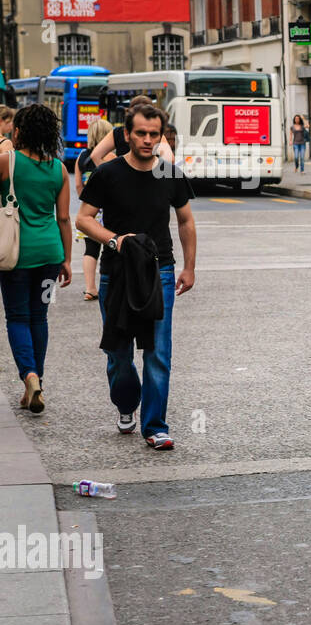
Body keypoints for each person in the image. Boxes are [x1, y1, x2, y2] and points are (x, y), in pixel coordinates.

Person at [76, 103, 197, 450]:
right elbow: (84, 218)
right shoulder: (108, 173)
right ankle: (127, 404)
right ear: (126, 134)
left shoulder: (170, 174)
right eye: (140, 133)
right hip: (116, 273)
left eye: (154, 134)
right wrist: (114, 240)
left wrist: (188, 267)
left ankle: (156, 425)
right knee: (119, 352)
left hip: (159, 271)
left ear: (162, 137)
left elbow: (186, 221)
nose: (147, 140)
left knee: (158, 351)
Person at [0, 105, 73, 413]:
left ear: (18, 131)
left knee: (17, 317)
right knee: (39, 317)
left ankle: (29, 376)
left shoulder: (7, 162)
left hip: (15, 256)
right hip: (50, 255)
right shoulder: (59, 168)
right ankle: (37, 380)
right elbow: (65, 219)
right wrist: (67, 260)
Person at [74, 118, 115, 301]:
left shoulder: (82, 156)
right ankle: (112, 284)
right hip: (108, 209)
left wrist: (86, 201)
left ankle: (90, 288)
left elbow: (77, 184)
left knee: (90, 250)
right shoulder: (112, 158)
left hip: (88, 210)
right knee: (112, 246)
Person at [89, 94, 174, 166]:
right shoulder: (155, 135)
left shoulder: (118, 132)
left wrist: (113, 177)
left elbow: (95, 156)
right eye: (140, 133)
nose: (147, 140)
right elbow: (170, 160)